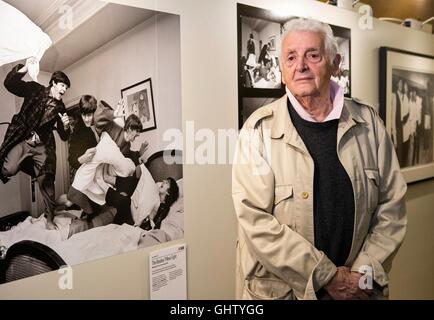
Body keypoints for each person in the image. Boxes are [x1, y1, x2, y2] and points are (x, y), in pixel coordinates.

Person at [232, 18, 407, 300]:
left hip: (358, 293)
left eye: (312, 55)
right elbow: (255, 219)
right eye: (291, 57)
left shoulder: (369, 123)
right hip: (284, 292)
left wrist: (362, 275)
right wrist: (326, 276)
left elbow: (392, 205)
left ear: (335, 63)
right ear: (282, 69)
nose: (300, 65)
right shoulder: (258, 130)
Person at [0, 58, 71, 230]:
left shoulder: (61, 108)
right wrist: (25, 67)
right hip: (24, 138)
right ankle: (23, 162)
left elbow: (63, 135)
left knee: (46, 181)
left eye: (66, 88)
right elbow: (10, 84)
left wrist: (66, 125)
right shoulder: (35, 89)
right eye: (62, 85)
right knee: (8, 169)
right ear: (54, 83)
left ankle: (50, 218)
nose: (64, 90)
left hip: (42, 145)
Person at [68, 95, 99, 178]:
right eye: (83, 115)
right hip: (84, 175)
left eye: (89, 115)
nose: (86, 119)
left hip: (98, 171)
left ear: (94, 113)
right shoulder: (78, 129)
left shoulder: (99, 124)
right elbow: (71, 159)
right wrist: (82, 159)